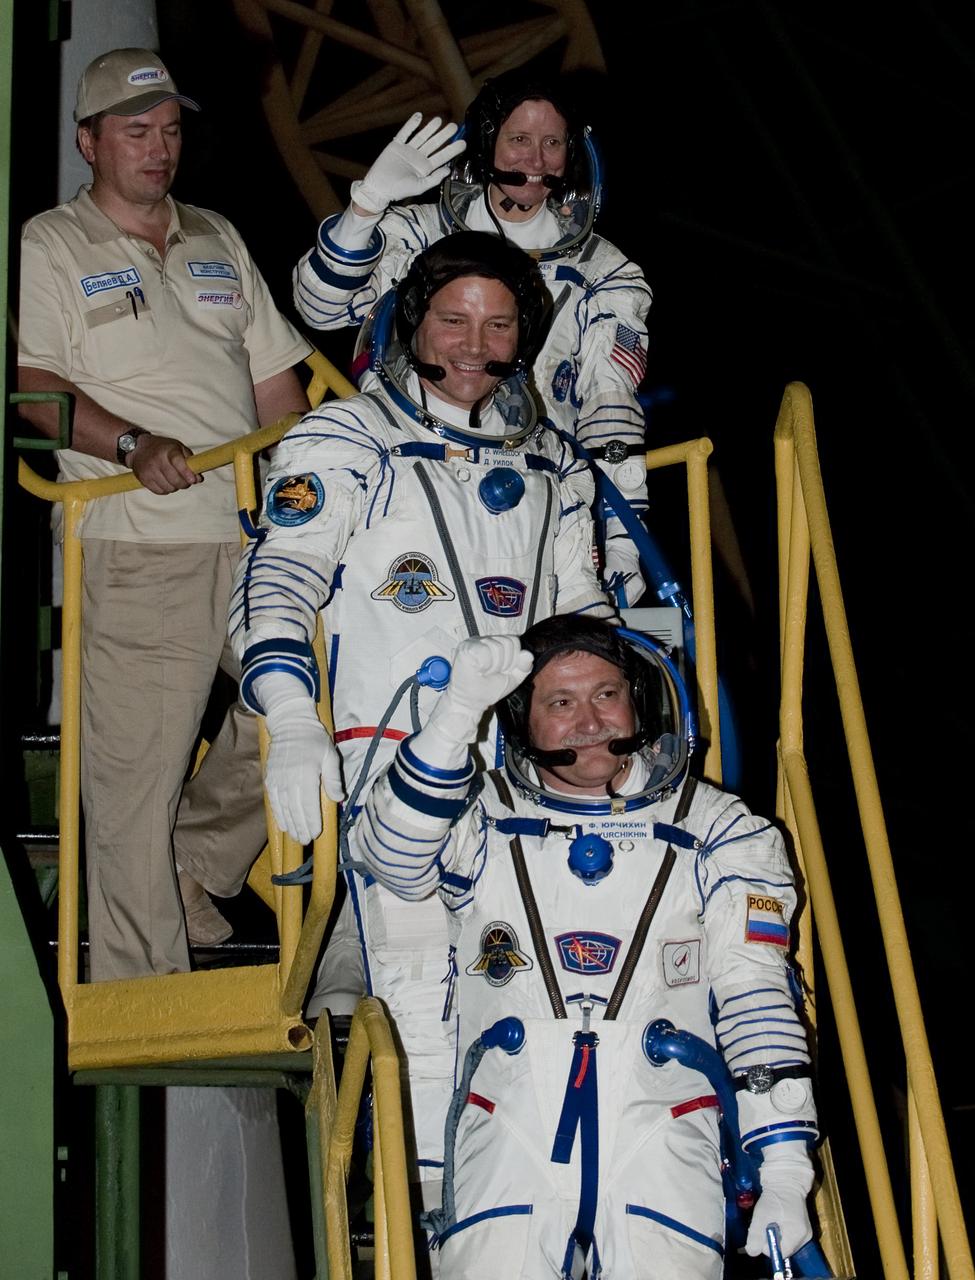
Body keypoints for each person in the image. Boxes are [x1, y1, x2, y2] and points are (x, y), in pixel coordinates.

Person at [228, 230, 614, 1207]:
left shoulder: (553, 461)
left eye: (499, 320)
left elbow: (588, 616)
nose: (476, 341)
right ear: (414, 324)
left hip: (532, 784)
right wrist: (290, 714)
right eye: (454, 317)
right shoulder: (345, 439)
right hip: (391, 770)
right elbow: (277, 581)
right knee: (428, 1026)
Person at [347, 615, 819, 1278]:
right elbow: (391, 858)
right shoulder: (480, 819)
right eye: (558, 703)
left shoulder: (721, 832)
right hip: (507, 1126)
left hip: (664, 1129)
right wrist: (455, 713)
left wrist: (784, 1166)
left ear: (638, 702)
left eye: (604, 694)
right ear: (521, 722)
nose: (588, 721)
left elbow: (756, 995)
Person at [16, 47, 312, 979]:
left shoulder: (217, 235)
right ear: (89, 141)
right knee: (133, 781)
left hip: (251, 538)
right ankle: (145, 988)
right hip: (138, 541)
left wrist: (312, 507)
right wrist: (130, 444)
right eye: (136, 131)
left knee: (313, 705)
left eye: (171, 130)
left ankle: (198, 861)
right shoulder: (51, 244)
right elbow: (31, 381)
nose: (158, 148)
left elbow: (279, 389)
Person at [293, 70, 653, 608]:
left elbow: (611, 405)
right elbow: (319, 308)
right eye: (519, 140)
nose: (536, 161)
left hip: (539, 486)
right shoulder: (418, 233)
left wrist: (624, 542)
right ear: (487, 145)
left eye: (552, 143)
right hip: (408, 474)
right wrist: (366, 205)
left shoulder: (605, 271)